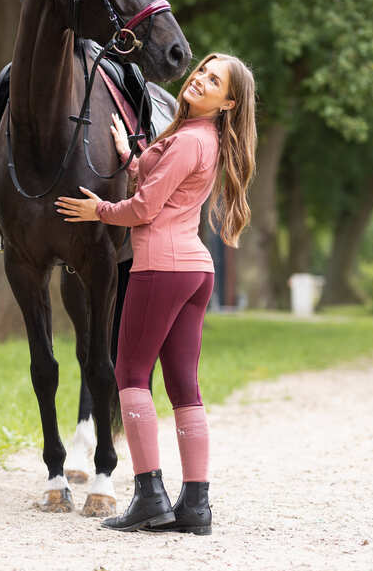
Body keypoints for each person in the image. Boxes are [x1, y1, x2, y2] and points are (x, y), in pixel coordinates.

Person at [55, 52, 256, 535]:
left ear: (227, 102)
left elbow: (144, 208)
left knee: (129, 374)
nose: (200, 80)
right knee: (184, 385)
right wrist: (129, 155)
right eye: (202, 72)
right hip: (192, 271)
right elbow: (158, 183)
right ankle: (195, 506)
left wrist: (99, 211)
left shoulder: (190, 141)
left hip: (161, 269)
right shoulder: (201, 138)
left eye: (214, 81)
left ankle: (149, 495)